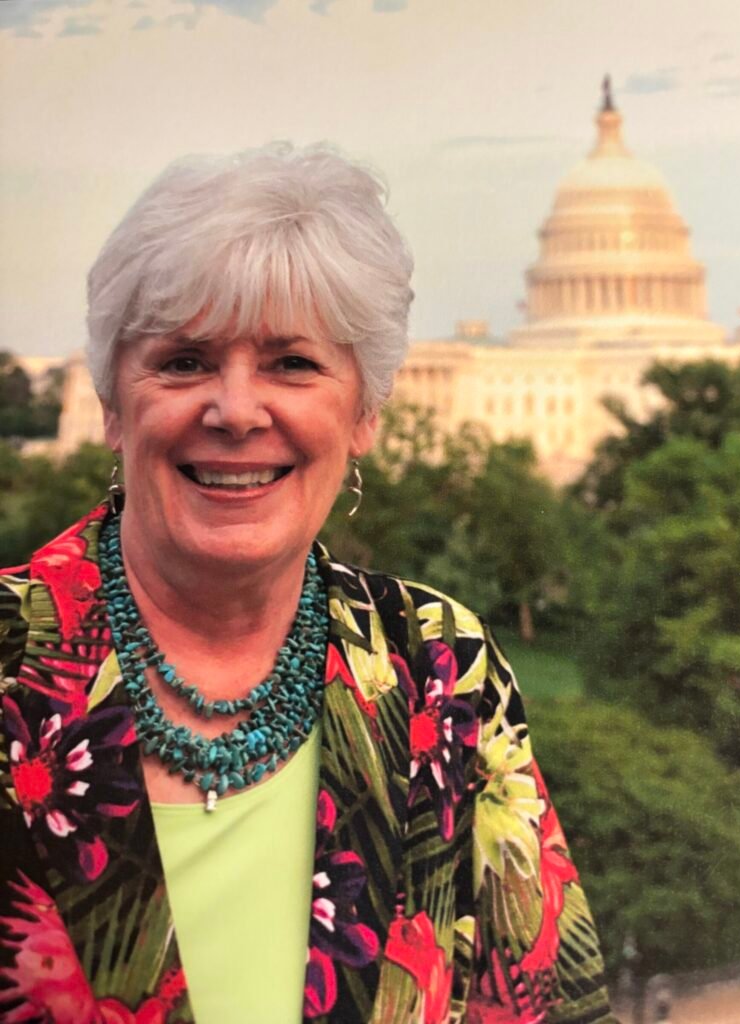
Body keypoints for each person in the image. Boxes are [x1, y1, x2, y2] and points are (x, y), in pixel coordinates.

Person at [0, 144, 616, 1024]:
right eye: (183, 362)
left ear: (363, 413)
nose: (238, 410)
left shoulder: (437, 667)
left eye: (292, 363)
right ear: (109, 401)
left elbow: (542, 1000)